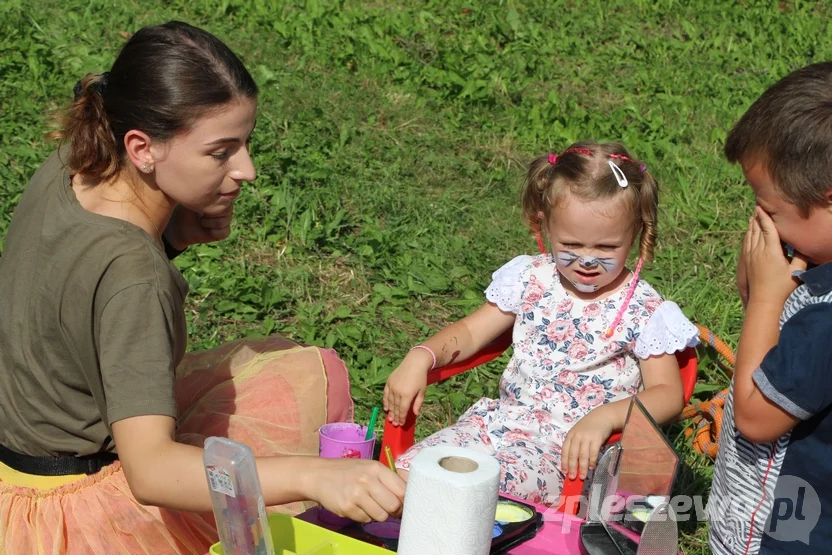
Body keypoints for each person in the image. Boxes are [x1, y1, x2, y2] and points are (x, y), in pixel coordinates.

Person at [0, 21, 404, 555]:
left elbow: (73, 288)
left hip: (17, 445)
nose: (248, 169)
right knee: (292, 387)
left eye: (246, 143)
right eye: (221, 152)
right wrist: (313, 476)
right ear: (142, 148)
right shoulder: (134, 276)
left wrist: (173, 235)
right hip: (64, 512)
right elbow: (151, 473)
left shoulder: (78, 161)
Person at [383, 141, 699, 506]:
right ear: (544, 224)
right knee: (411, 477)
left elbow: (668, 395)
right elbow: (471, 332)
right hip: (494, 426)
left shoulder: (643, 310)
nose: (587, 260)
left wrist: (604, 418)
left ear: (636, 235)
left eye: (606, 248)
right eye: (571, 243)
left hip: (565, 452)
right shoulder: (531, 278)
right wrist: (420, 356)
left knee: (470, 496)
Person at [708, 62, 832, 555]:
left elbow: (757, 418)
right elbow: (775, 330)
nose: (761, 221)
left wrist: (764, 297)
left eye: (771, 211)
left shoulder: (827, 320)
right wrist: (761, 288)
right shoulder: (818, 262)